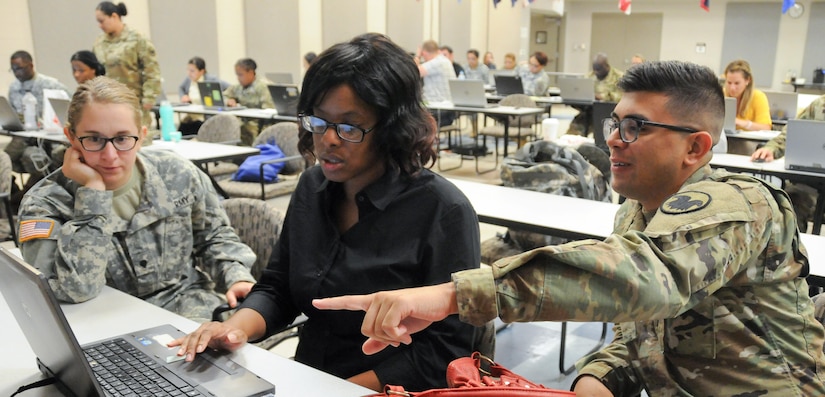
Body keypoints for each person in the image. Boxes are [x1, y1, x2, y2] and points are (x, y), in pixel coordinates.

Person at [314, 60, 825, 396]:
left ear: (695, 147)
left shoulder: (738, 205)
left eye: (635, 128)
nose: (614, 141)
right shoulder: (637, 211)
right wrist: (591, 382)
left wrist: (455, 295)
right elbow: (640, 334)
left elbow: (648, 280)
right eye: (613, 123)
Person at [170, 33, 483, 392]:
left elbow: (444, 351)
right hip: (307, 377)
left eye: (349, 127)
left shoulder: (444, 211)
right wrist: (234, 328)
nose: (328, 140)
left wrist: (331, 391)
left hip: (383, 386)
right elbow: (278, 288)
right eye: (318, 122)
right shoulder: (311, 187)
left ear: (394, 130)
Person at [17, 76, 257, 323]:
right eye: (94, 139)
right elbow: (74, 290)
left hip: (188, 310)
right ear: (71, 137)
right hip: (101, 321)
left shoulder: (177, 174)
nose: (110, 156)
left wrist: (236, 275)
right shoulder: (45, 204)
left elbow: (214, 237)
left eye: (122, 139)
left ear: (141, 136)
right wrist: (94, 194)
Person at [6, 50, 71, 209]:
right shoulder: (14, 87)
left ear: (31, 65)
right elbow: (13, 113)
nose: (17, 73)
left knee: (33, 158)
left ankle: (25, 196)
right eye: (13, 69)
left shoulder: (51, 84)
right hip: (24, 136)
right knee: (5, 158)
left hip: (48, 139)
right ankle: (11, 194)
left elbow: (70, 108)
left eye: (20, 68)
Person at [752, 95, 824, 232]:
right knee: (790, 205)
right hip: (810, 182)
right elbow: (791, 132)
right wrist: (771, 149)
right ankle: (794, 252)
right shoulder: (819, 105)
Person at [92, 1, 162, 130]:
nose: (99, 25)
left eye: (102, 21)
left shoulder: (137, 39)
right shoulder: (99, 42)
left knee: (134, 140)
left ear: (114, 16)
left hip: (133, 103)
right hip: (107, 103)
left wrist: (149, 98)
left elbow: (151, 70)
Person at [567, 52, 623, 136]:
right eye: (595, 69)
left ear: (607, 66)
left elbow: (621, 97)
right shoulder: (589, 76)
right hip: (589, 111)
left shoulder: (618, 77)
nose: (596, 72)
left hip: (609, 114)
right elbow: (581, 90)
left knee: (603, 139)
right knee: (572, 135)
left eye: (599, 69)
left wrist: (602, 97)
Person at [223, 58, 275, 145]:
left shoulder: (264, 86)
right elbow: (224, 96)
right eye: (237, 75)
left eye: (240, 75)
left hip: (256, 125)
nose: (238, 78)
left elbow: (269, 112)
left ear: (250, 72)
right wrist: (229, 100)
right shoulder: (238, 86)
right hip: (241, 122)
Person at [177, 56, 230, 135]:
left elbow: (229, 87)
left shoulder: (211, 79)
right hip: (191, 117)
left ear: (201, 71)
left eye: (192, 71)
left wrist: (227, 99)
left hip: (204, 119)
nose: (189, 73)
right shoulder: (189, 80)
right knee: (181, 131)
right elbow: (181, 88)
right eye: (188, 70)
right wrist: (183, 96)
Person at [724, 59, 771, 131]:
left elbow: (766, 128)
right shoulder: (721, 94)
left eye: (737, 83)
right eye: (729, 83)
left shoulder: (758, 97)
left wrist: (745, 124)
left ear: (747, 80)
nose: (732, 88)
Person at [417, 40, 455, 126]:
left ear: (424, 53)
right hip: (445, 108)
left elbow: (412, 72)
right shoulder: (445, 60)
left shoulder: (437, 62)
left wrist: (417, 56)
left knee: (408, 117)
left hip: (438, 109)